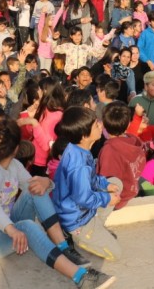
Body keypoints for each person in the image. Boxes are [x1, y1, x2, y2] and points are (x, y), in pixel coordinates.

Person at [0, 119, 115, 289]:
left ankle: (63, 247)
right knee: (27, 226)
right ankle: (81, 277)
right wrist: (12, 229)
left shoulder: (13, 165)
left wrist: (46, 182)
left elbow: (33, 185)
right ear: (16, 148)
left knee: (35, 189)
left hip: (6, 225)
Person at [51, 106, 122, 261]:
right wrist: (107, 199)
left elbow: (91, 179)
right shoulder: (79, 166)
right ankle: (79, 239)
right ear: (84, 136)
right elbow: (84, 198)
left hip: (81, 208)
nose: (101, 125)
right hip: (77, 220)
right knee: (115, 254)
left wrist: (105, 185)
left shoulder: (78, 148)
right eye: (96, 125)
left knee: (115, 183)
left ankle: (96, 225)